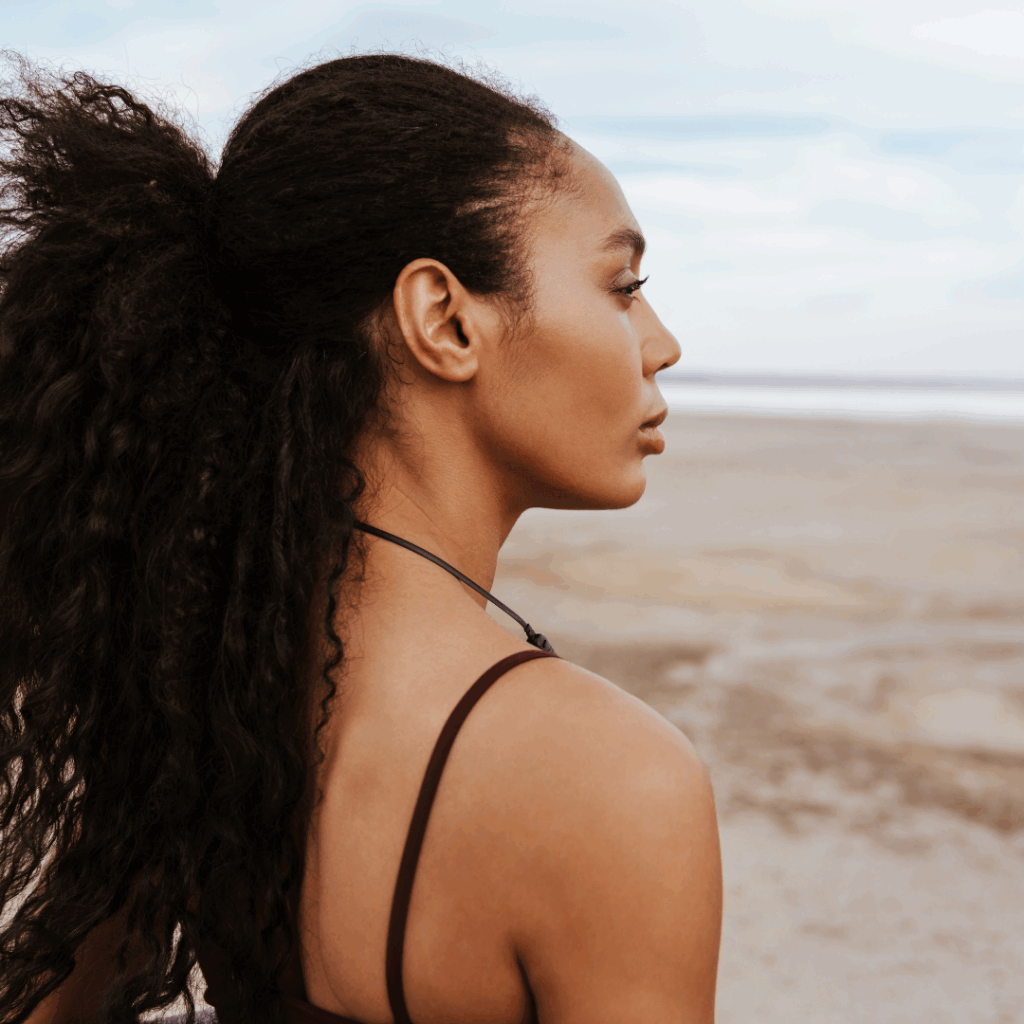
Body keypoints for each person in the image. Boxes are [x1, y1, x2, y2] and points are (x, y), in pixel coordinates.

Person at [0, 51, 722, 1024]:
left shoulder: (201, 682)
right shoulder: (612, 779)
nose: (661, 340)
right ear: (444, 320)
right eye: (622, 283)